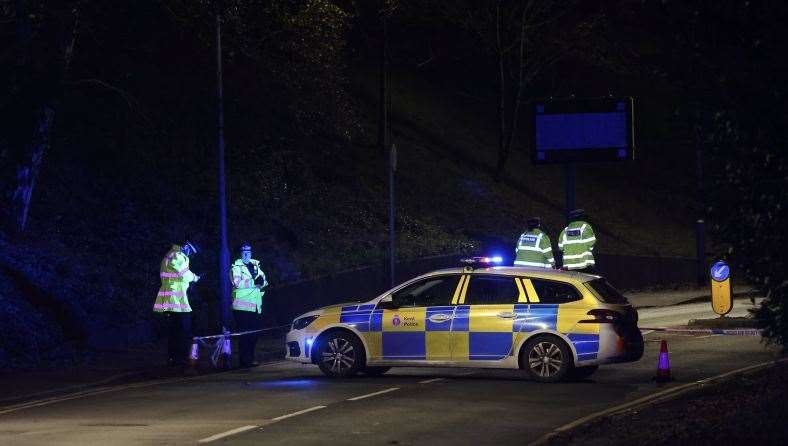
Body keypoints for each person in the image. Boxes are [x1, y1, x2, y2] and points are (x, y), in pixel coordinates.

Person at [153, 241, 201, 367]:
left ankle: (173, 358)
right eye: (192, 253)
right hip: (176, 299)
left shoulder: (172, 254)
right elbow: (183, 273)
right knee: (182, 331)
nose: (191, 255)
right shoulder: (179, 255)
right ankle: (179, 359)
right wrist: (195, 277)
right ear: (188, 248)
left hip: (172, 297)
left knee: (175, 331)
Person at [230, 242, 268, 367]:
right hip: (241, 307)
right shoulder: (236, 267)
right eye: (244, 252)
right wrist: (253, 282)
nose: (246, 254)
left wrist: (262, 283)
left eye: (249, 251)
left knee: (254, 335)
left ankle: (250, 359)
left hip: (255, 306)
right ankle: (244, 361)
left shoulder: (256, 265)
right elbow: (237, 283)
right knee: (245, 336)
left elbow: (264, 281)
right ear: (241, 253)